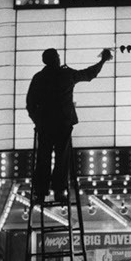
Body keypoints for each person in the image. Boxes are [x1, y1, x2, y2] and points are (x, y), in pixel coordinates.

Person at [26, 47, 113, 202]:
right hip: (62, 122)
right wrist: (103, 60)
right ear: (56, 59)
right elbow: (89, 74)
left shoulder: (39, 78)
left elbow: (30, 103)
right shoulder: (66, 74)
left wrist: (37, 120)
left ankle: (40, 192)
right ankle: (59, 191)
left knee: (43, 157)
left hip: (45, 124)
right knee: (62, 158)